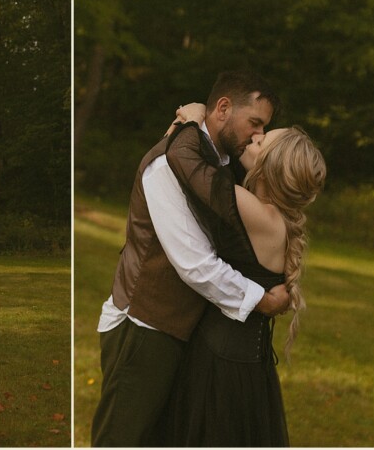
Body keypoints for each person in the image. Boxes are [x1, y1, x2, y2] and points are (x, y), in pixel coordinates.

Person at [90, 71, 293, 447]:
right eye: (255, 123)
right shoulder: (168, 163)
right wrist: (262, 299)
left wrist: (197, 118)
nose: (257, 135)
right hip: (144, 325)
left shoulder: (217, 161)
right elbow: (195, 264)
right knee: (123, 440)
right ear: (223, 108)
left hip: (183, 332)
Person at [161, 103, 326, 446]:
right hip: (244, 363)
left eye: (263, 141)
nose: (256, 135)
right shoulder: (270, 216)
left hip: (221, 367)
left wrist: (193, 122)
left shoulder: (260, 214)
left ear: (270, 168)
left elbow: (188, 166)